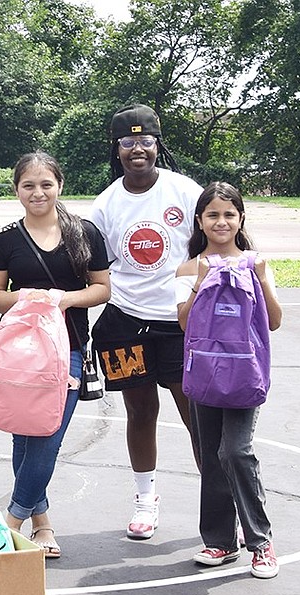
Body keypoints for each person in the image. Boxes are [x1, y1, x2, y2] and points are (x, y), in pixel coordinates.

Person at [0, 152, 111, 557]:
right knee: (26, 438)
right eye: (28, 186)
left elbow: (102, 288)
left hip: (69, 349)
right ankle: (43, 526)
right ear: (16, 189)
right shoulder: (4, 240)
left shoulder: (85, 233)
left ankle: (10, 525)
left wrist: (64, 300)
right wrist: (26, 297)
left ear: (60, 185)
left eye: (45, 184)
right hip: (21, 354)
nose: (37, 193)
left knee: (47, 438)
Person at [89, 103, 203, 540]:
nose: (137, 149)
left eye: (145, 141)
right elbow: (92, 264)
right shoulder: (106, 203)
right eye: (127, 142)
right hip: (126, 320)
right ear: (116, 149)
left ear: (158, 145)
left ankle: (218, 500)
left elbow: (214, 241)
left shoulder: (185, 192)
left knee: (197, 414)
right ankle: (145, 500)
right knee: (140, 412)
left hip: (180, 323)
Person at [176, 182, 283, 578]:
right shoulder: (189, 267)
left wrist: (259, 278)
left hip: (243, 374)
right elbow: (184, 322)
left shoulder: (256, 263)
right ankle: (220, 540)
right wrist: (201, 284)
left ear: (240, 220)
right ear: (200, 222)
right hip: (205, 373)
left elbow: (273, 320)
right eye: (212, 215)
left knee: (235, 452)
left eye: (229, 214)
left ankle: (260, 542)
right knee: (211, 457)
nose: (221, 222)